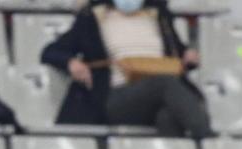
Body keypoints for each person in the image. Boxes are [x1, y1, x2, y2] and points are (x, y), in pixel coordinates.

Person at [41, 0, 210, 138]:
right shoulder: (93, 18)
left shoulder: (158, 16)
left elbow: (177, 51)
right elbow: (51, 51)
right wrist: (71, 62)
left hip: (156, 98)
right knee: (165, 82)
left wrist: (188, 56)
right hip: (115, 96)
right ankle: (208, 139)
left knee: (168, 117)